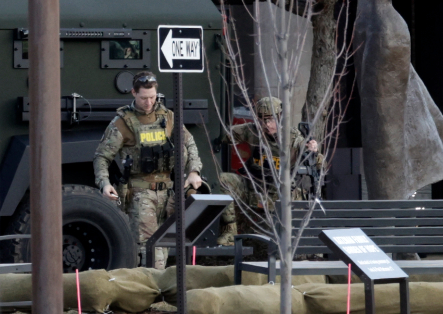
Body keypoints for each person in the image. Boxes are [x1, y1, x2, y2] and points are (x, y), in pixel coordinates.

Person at [93, 71, 203, 268]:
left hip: (169, 192)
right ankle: (154, 291)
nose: (149, 102)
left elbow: (190, 144)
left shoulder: (168, 118)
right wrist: (105, 183)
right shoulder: (122, 123)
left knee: (166, 245)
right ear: (134, 93)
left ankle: (157, 291)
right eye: (144, 98)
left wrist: (194, 171)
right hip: (140, 193)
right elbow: (102, 157)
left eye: (152, 97)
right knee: (149, 250)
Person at [218, 96, 320, 240]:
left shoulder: (291, 137)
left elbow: (317, 160)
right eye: (262, 119)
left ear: (280, 118)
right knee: (224, 179)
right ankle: (229, 233)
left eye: (271, 119)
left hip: (278, 192)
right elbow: (222, 135)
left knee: (271, 236)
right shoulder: (251, 131)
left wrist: (313, 149)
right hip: (253, 186)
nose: (266, 124)